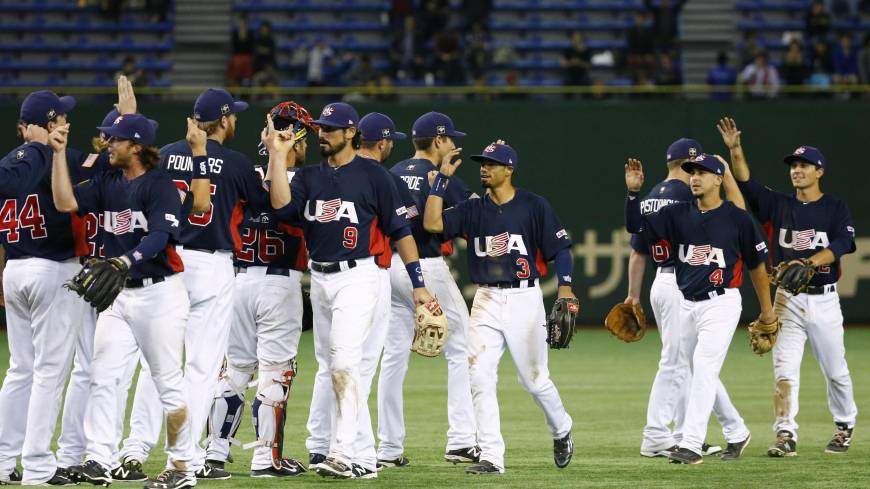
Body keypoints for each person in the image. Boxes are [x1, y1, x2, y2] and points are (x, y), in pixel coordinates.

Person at [265, 102, 437, 479]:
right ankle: (363, 458)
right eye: (320, 128)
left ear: (350, 133)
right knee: (334, 366)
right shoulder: (309, 176)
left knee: (345, 362)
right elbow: (280, 207)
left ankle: (341, 452)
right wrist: (277, 156)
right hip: (321, 279)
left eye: (329, 128)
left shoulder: (375, 176)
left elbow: (400, 232)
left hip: (360, 276)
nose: (322, 133)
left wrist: (419, 284)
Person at [120, 88, 270, 481]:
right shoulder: (236, 164)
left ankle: (133, 450)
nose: (235, 121)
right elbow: (268, 205)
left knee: (156, 364)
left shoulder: (164, 155)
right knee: (201, 368)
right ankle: (184, 460)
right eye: (232, 116)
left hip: (168, 261)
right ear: (222, 121)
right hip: (212, 264)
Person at [54, 114, 199, 489]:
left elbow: (162, 235)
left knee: (167, 381)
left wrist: (123, 260)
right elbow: (67, 202)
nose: (108, 144)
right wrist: (57, 155)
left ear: (136, 146)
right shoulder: (108, 181)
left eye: (116, 140)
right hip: (119, 296)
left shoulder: (159, 185)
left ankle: (183, 466)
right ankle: (99, 459)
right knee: (103, 376)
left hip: (160, 294)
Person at [423, 141, 576, 475]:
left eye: (492, 163)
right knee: (478, 374)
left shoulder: (534, 206)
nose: (484, 168)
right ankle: (492, 455)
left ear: (509, 169)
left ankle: (562, 427)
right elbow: (433, 223)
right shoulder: (472, 208)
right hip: (486, 299)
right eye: (482, 163)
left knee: (534, 381)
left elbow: (561, 248)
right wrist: (441, 180)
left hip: (524, 299)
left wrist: (565, 287)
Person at [718, 117, 858, 458]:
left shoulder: (835, 208)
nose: (797, 170)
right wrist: (736, 150)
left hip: (824, 300)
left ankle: (844, 426)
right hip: (787, 300)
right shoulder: (778, 205)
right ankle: (785, 434)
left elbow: (843, 244)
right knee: (783, 369)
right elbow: (746, 182)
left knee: (836, 370)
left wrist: (809, 263)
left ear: (819, 171)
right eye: (794, 165)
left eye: (805, 165)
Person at [624, 154, 775, 465]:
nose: (694, 177)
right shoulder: (678, 213)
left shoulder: (737, 218)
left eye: (703, 173)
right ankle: (736, 431)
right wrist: (633, 193)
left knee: (704, 368)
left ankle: (690, 443)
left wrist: (767, 312)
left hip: (722, 303)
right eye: (692, 172)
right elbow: (635, 226)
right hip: (685, 302)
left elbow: (758, 267)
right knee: (688, 368)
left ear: (719, 179)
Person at [204, 101, 314, 478]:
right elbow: (286, 211)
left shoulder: (241, 175)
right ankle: (267, 459)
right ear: (295, 140)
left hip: (237, 280)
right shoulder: (306, 180)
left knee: (232, 370)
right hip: (278, 283)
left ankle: (214, 455)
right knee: (274, 373)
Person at [379, 112, 479, 469]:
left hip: (389, 267)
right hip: (426, 268)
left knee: (393, 357)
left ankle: (388, 448)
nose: (453, 145)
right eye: (450, 138)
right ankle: (462, 440)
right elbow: (476, 214)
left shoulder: (392, 174)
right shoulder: (443, 177)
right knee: (461, 348)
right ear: (437, 141)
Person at [0, 91, 86, 486]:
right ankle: (37, 466)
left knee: (20, 370)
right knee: (50, 371)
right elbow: (105, 167)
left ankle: (2, 462)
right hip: (51, 269)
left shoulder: (5, 166)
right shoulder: (61, 156)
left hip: (14, 269)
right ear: (50, 124)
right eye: (61, 118)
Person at [55, 78, 136, 483]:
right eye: (113, 136)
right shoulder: (99, 169)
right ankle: (79, 453)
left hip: (93, 272)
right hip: (92, 275)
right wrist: (127, 116)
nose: (113, 143)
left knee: (92, 371)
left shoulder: (94, 170)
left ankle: (79, 452)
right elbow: (101, 162)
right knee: (94, 371)